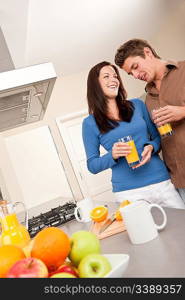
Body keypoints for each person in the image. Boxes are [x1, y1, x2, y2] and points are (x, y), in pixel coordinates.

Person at [82, 61, 185, 209]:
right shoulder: (90, 123)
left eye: (115, 76)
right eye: (106, 76)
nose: (113, 79)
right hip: (128, 193)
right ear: (95, 85)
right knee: (144, 232)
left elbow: (157, 136)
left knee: (181, 227)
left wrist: (151, 146)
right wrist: (113, 155)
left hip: (161, 182)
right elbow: (92, 165)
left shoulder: (137, 105)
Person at [114, 38, 185, 202]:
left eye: (135, 67)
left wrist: (182, 112)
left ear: (148, 52)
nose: (136, 75)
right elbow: (157, 137)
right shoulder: (148, 99)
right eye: (131, 74)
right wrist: (149, 147)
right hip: (178, 179)